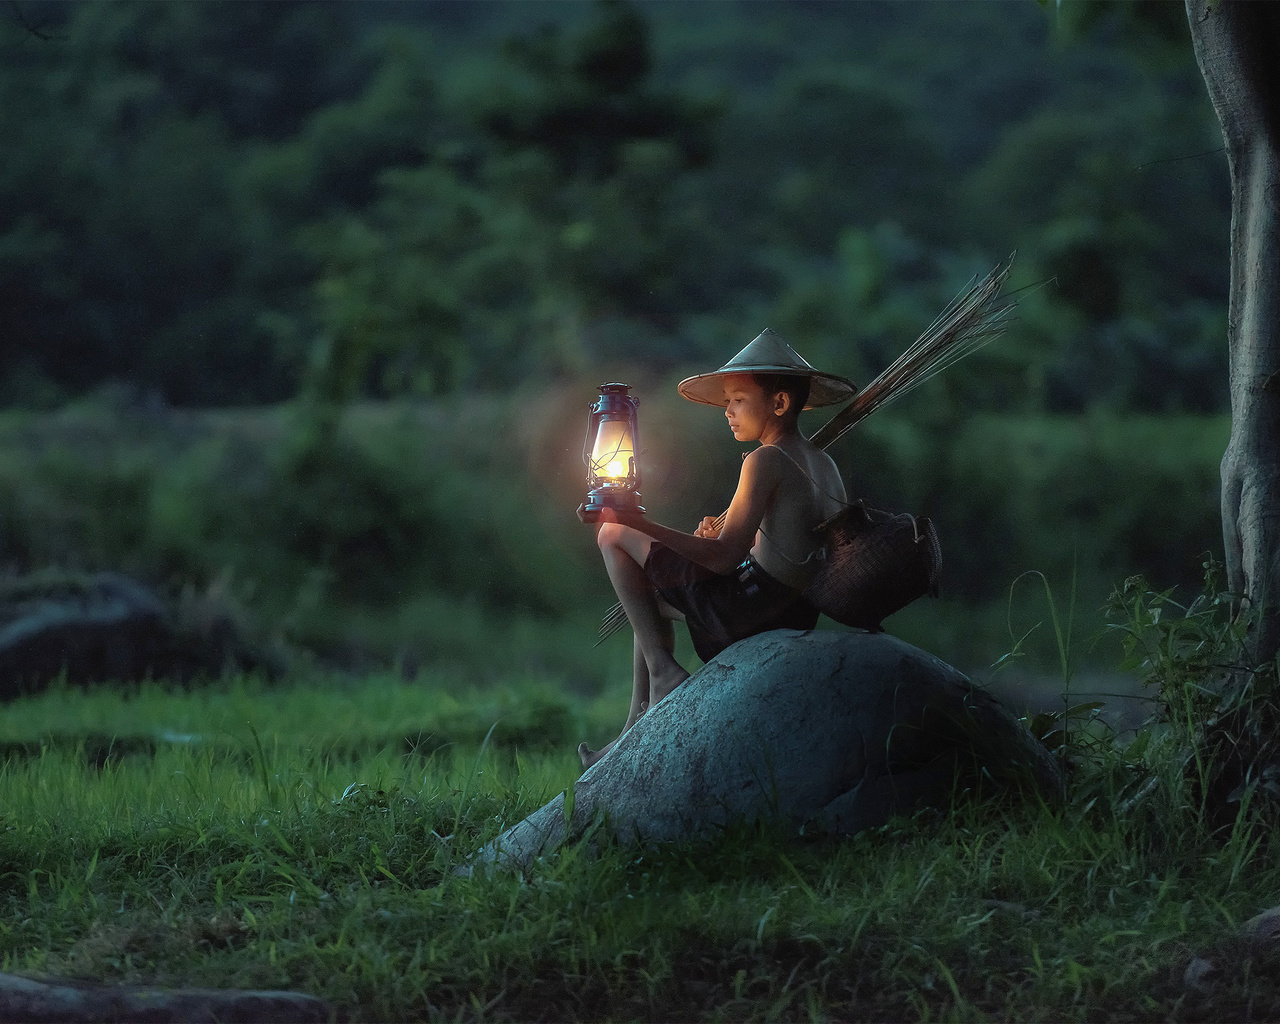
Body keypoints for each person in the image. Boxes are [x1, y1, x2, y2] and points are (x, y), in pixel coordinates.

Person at [577, 328, 856, 769]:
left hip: (751, 610)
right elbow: (782, 548)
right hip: (794, 608)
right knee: (643, 606)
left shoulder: (764, 460)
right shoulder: (824, 463)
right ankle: (632, 729)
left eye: (738, 400)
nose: (727, 411)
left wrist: (637, 522)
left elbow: (726, 558)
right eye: (727, 401)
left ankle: (665, 676)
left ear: (779, 404)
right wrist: (705, 539)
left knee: (610, 533)